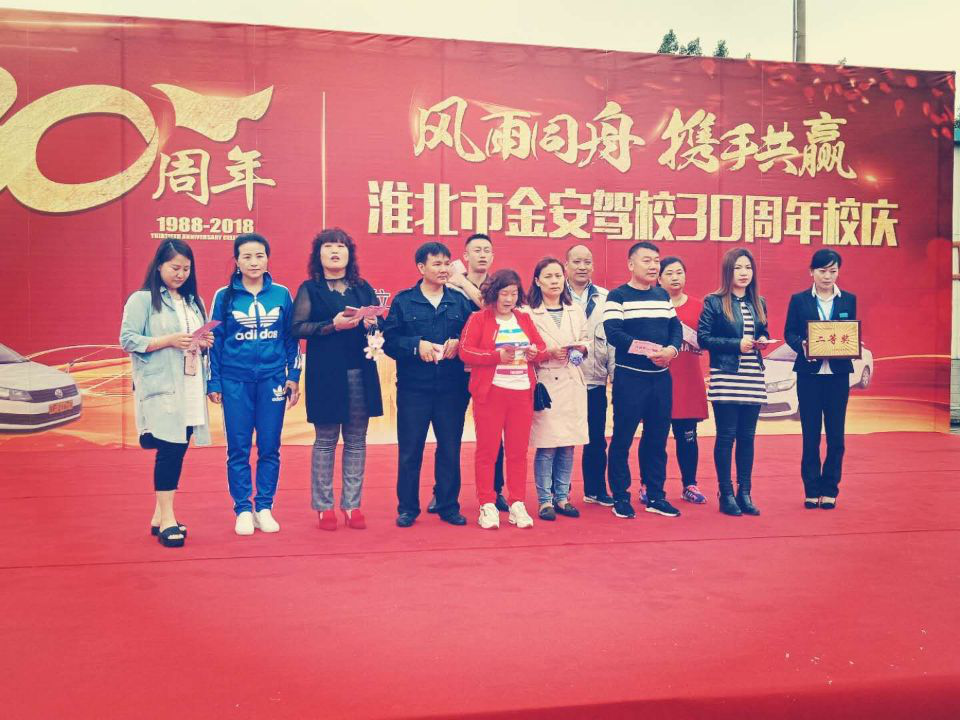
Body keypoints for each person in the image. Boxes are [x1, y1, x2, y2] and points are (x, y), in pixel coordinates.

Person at [119, 239, 213, 548]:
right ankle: (169, 520)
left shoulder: (194, 301)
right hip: (162, 386)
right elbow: (128, 340)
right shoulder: (143, 299)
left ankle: (159, 516)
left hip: (190, 384)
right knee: (169, 449)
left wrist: (203, 342)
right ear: (159, 265)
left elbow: (193, 341)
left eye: (186, 268)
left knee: (179, 446)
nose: (181, 274)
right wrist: (168, 340)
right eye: (175, 267)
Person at [207, 234, 301, 536]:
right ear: (237, 261)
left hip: (273, 379)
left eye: (259, 255)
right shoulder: (224, 296)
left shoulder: (282, 294)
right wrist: (214, 380)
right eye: (246, 257)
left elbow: (291, 339)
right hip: (235, 381)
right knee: (238, 447)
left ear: (267, 259)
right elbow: (214, 342)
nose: (254, 262)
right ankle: (243, 510)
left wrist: (293, 376)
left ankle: (264, 507)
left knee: (270, 446)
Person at [292, 228, 383, 530]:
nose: (335, 251)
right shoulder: (310, 289)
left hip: (360, 373)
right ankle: (324, 507)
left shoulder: (362, 287)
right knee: (325, 441)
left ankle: (352, 505)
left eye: (341, 246)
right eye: (328, 246)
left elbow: (379, 327)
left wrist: (372, 323)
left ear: (349, 254)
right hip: (326, 375)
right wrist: (332, 325)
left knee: (356, 441)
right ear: (318, 254)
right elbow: (297, 328)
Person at [383, 241, 474, 527]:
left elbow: (474, 336)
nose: (444, 269)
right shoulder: (404, 301)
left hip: (452, 388)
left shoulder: (459, 301)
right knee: (410, 450)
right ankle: (408, 508)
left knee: (450, 448)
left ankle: (448, 505)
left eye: (447, 263)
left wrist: (460, 343)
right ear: (421, 267)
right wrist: (415, 345)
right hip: (414, 389)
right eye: (437, 264)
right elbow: (389, 341)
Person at [459, 269, 548, 529]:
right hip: (491, 393)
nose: (509, 299)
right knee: (487, 451)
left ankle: (517, 502)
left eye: (514, 293)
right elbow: (465, 351)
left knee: (518, 452)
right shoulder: (479, 318)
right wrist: (496, 356)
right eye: (504, 293)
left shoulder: (524, 318)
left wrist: (534, 352)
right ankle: (487, 504)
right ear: (493, 294)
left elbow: (542, 348)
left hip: (522, 393)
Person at [603, 242, 682, 520]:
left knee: (657, 439)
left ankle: (656, 495)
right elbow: (613, 332)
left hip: (661, 380)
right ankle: (620, 496)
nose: (653, 266)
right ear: (630, 264)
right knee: (622, 439)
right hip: (630, 379)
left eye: (656, 261)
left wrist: (671, 351)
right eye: (646, 260)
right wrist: (646, 350)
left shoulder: (662, 295)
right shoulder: (617, 296)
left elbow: (675, 328)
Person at [698, 248, 770, 517]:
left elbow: (762, 329)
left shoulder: (758, 301)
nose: (743, 273)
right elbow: (704, 338)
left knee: (747, 437)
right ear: (728, 271)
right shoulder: (715, 301)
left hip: (753, 375)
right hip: (726, 375)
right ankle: (726, 493)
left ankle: (745, 493)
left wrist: (763, 340)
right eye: (738, 267)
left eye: (748, 268)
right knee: (726, 436)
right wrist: (736, 344)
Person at [784, 249, 857, 510]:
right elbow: (789, 333)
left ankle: (830, 489)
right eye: (822, 271)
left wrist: (850, 343)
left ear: (838, 272)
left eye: (833, 271)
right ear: (811, 272)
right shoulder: (799, 300)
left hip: (838, 376)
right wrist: (803, 345)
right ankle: (812, 489)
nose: (827, 276)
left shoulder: (848, 300)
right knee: (810, 434)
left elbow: (850, 332)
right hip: (809, 376)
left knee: (836, 436)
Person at [440, 232, 508, 512]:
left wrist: (463, 283)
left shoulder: (500, 286)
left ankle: (496, 491)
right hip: (455, 369)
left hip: (490, 368)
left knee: (493, 436)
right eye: (476, 250)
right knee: (449, 434)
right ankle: (444, 494)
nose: (482, 254)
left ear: (492, 257)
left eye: (487, 250)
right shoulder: (448, 286)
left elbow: (491, 309)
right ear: (465, 256)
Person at [527, 257, 590, 520]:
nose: (554, 281)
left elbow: (586, 340)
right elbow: (526, 350)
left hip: (572, 379)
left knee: (568, 445)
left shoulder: (575, 309)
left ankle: (562, 497)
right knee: (547, 445)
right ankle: (545, 501)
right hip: (546, 382)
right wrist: (547, 352)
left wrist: (579, 350)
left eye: (558, 276)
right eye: (548, 276)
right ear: (537, 281)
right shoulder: (528, 312)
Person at [565, 244, 616, 507]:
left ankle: (595, 490)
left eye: (587, 262)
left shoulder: (606, 299)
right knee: (559, 439)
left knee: (596, 439)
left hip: (594, 380)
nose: (582, 267)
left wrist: (614, 377)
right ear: (566, 265)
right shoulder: (552, 294)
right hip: (561, 381)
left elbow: (613, 341)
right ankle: (557, 493)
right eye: (577, 262)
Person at [657, 257, 708, 504]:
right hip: (659, 379)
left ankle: (690, 484)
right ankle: (650, 485)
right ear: (659, 278)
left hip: (688, 379)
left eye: (679, 272)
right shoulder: (653, 306)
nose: (675, 277)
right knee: (655, 437)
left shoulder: (699, 307)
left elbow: (706, 342)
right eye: (669, 273)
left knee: (688, 435)